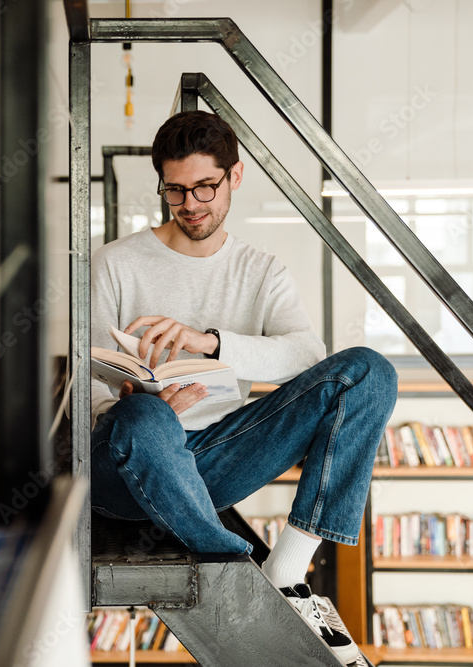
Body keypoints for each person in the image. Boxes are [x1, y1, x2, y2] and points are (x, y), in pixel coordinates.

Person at [89, 110, 397, 665]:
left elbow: (305, 356)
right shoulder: (113, 263)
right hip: (128, 467)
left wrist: (208, 343)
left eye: (205, 186)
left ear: (234, 177)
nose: (190, 204)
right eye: (176, 190)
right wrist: (130, 400)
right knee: (146, 420)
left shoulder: (261, 270)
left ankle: (288, 572)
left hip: (216, 460)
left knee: (369, 371)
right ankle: (238, 565)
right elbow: (82, 386)